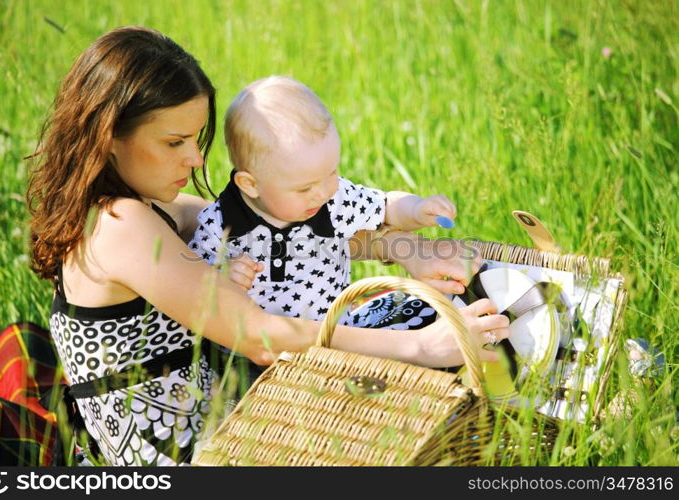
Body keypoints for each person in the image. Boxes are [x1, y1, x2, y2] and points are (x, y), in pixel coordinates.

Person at [27, 26, 509, 466]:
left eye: (196, 138)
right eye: (175, 142)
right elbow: (259, 335)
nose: (195, 158)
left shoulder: (140, 206)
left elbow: (285, 229)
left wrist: (405, 251)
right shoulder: (119, 222)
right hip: (193, 450)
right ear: (109, 137)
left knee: (406, 309)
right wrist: (419, 347)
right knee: (419, 327)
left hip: (228, 403)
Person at [189, 75, 457, 326]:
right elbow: (193, 285)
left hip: (337, 340)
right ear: (251, 184)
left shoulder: (333, 202)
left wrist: (417, 208)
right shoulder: (218, 224)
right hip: (254, 355)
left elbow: (386, 207)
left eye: (331, 172)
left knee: (429, 317)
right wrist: (223, 277)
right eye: (304, 188)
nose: (324, 191)